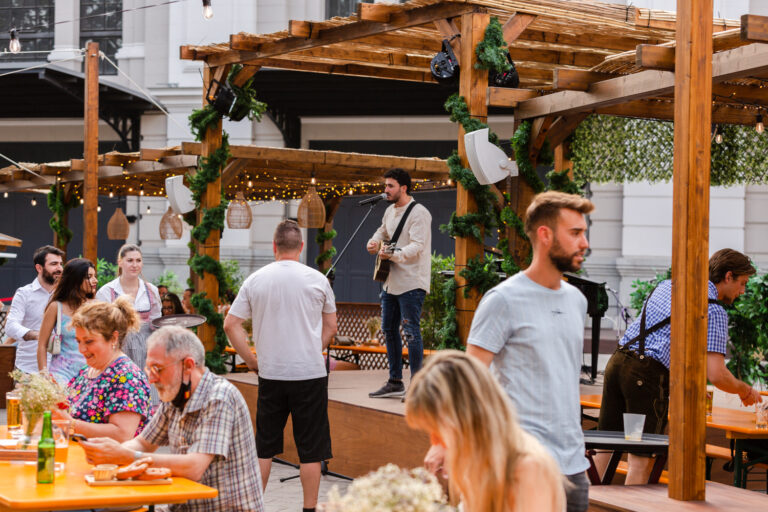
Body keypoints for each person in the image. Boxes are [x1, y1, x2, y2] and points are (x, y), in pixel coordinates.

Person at [458, 191, 594, 512]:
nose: (584, 242)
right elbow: (469, 381)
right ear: (545, 235)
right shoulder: (503, 300)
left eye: (584, 232)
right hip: (522, 463)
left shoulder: (577, 300)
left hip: (574, 465)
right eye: (575, 233)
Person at [597, 248, 762, 484]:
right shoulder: (712, 309)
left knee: (606, 445)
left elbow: (670, 338)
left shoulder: (670, 286)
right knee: (639, 457)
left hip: (619, 365)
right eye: (742, 283)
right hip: (644, 379)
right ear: (728, 276)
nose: (742, 291)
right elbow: (716, 373)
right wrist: (744, 390)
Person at [79, 326, 264, 512]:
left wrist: (127, 456)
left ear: (188, 366)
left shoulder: (219, 397)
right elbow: (143, 443)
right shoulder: (175, 393)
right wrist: (109, 453)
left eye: (157, 368)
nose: (151, 378)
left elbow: (195, 467)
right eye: (148, 368)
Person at [224, 219, 337, 512]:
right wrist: (314, 348)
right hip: (309, 374)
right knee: (310, 450)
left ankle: (255, 507)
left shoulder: (256, 280)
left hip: (271, 373)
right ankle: (309, 509)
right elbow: (331, 326)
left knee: (264, 446)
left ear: (274, 246)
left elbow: (231, 324)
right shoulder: (318, 279)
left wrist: (251, 360)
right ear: (301, 247)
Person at [406, 350, 565, 512]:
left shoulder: (527, 469)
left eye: (437, 430)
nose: (434, 442)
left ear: (464, 417)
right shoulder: (478, 461)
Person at [366, 168, 432, 398]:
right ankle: (395, 381)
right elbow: (381, 232)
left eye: (390, 186)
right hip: (390, 282)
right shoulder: (388, 211)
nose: (386, 190)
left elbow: (417, 247)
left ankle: (416, 387)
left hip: (411, 282)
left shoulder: (419, 213)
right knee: (388, 329)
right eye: (385, 186)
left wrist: (391, 254)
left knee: (411, 332)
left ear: (404, 188)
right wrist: (374, 243)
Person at [54, 297, 151, 441]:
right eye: (78, 341)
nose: (81, 349)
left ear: (113, 338)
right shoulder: (88, 370)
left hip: (109, 462)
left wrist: (69, 424)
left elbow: (122, 434)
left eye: (89, 341)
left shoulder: (127, 376)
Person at [96, 244, 161, 376]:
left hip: (147, 346)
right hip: (119, 346)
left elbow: (156, 321)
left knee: (150, 387)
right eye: (130, 260)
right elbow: (101, 325)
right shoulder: (107, 291)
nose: (134, 265)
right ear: (120, 262)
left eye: (138, 260)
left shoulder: (151, 290)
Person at [37, 258, 98, 384]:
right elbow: (42, 345)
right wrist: (44, 377)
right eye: (89, 276)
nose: (95, 280)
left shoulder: (97, 306)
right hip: (60, 374)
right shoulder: (56, 307)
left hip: (90, 373)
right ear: (75, 279)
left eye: (94, 276)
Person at [5, 246, 64, 373]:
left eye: (60, 264)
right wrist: (39, 335)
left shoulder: (67, 295)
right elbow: (10, 326)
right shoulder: (24, 293)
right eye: (54, 264)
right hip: (29, 369)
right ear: (39, 268)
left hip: (61, 371)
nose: (59, 268)